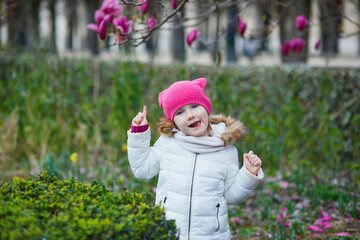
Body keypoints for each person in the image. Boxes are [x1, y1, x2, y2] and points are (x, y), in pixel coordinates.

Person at [127, 78, 264, 240]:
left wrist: (248, 174)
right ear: (174, 121)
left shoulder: (226, 150)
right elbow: (142, 169)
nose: (190, 115)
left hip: (211, 236)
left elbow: (231, 195)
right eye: (180, 112)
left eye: (194, 106)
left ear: (206, 109)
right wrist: (139, 133)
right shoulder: (167, 144)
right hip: (170, 232)